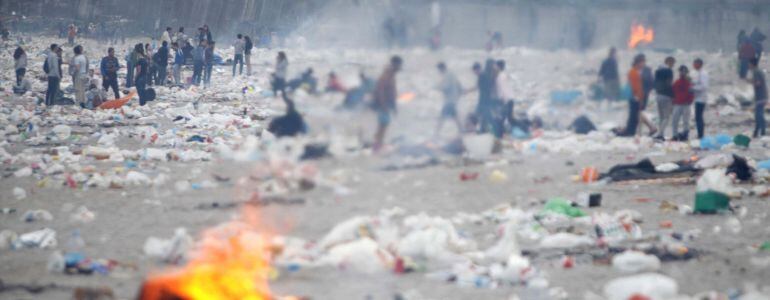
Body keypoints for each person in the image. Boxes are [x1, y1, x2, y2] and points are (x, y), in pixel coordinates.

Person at [372, 56, 403, 152]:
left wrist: (394, 106)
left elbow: (392, 91)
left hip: (387, 104)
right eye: (399, 65)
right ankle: (377, 147)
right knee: (383, 124)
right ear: (395, 64)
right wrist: (384, 105)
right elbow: (380, 90)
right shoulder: (386, 75)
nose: (400, 67)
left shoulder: (391, 74)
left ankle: (378, 144)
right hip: (383, 104)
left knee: (384, 124)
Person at [615, 54, 646, 137]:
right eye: (642, 62)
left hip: (636, 96)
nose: (643, 64)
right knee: (633, 116)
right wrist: (638, 96)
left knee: (634, 115)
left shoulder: (636, 72)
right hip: (634, 97)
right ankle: (630, 131)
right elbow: (635, 86)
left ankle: (631, 131)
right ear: (638, 63)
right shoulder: (633, 72)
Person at [435, 62, 463, 137]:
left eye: (439, 70)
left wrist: (438, 87)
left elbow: (446, 87)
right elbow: (459, 85)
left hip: (449, 100)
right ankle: (462, 131)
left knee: (442, 117)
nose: (439, 72)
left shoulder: (447, 75)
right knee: (455, 116)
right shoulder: (452, 74)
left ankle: (436, 134)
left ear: (441, 68)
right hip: (453, 100)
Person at [653, 57, 675, 140]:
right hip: (666, 96)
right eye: (672, 63)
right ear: (668, 62)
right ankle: (660, 134)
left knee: (661, 116)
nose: (673, 65)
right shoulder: (669, 71)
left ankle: (659, 133)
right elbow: (669, 83)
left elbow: (655, 83)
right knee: (666, 117)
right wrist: (673, 95)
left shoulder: (657, 71)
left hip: (658, 95)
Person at [671, 65, 694, 141]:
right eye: (681, 71)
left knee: (685, 121)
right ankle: (675, 135)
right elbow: (673, 92)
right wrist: (673, 101)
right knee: (675, 120)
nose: (682, 73)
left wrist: (689, 101)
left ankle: (685, 134)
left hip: (685, 104)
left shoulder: (689, 83)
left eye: (684, 72)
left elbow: (692, 93)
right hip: (678, 104)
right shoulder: (677, 82)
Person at [748, 58, 768, 137]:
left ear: (752, 64)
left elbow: (758, 83)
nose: (748, 65)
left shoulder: (756, 72)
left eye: (749, 64)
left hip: (760, 96)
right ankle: (760, 131)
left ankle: (759, 131)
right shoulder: (759, 71)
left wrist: (750, 82)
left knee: (758, 115)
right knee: (759, 114)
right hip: (763, 95)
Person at [692, 58, 709, 139]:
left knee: (699, 117)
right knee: (698, 117)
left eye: (695, 63)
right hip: (698, 98)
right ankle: (700, 133)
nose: (693, 65)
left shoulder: (703, 74)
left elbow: (704, 86)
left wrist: (693, 88)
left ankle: (700, 134)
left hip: (701, 98)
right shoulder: (698, 73)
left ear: (699, 64)